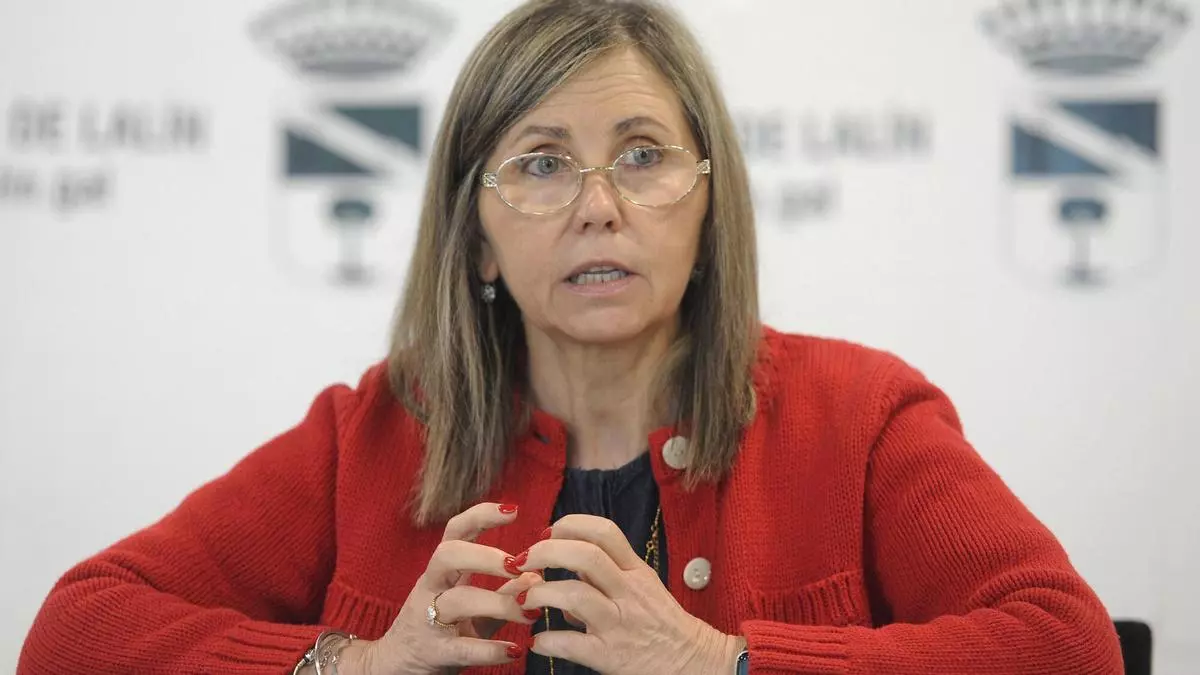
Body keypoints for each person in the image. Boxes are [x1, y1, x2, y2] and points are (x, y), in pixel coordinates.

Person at [18, 1, 1124, 673]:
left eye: (642, 154)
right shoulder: (375, 433)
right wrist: (353, 665)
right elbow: (74, 637)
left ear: (709, 205)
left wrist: (727, 664)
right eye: (543, 164)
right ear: (478, 238)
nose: (600, 206)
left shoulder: (860, 416)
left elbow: (1069, 648)